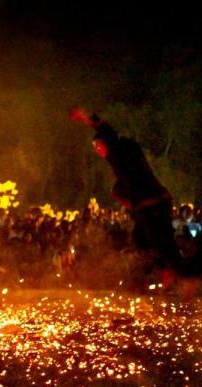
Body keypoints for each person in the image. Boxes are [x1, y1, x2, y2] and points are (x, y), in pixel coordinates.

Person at [70, 107, 182, 282]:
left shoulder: (117, 150)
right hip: (154, 201)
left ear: (105, 142)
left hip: (151, 202)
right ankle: (167, 275)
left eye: (97, 146)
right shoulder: (124, 154)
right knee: (142, 239)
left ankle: (179, 278)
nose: (98, 151)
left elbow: (104, 128)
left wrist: (84, 117)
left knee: (159, 241)